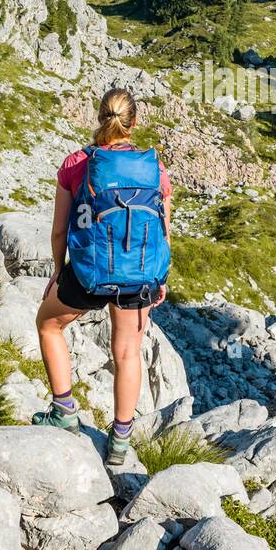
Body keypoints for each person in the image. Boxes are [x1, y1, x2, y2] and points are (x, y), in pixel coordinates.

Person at [32, 87, 171, 465]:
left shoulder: (77, 162)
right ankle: (120, 442)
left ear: (98, 118)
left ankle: (64, 411)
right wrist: (160, 277)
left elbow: (60, 230)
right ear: (134, 122)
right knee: (127, 352)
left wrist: (59, 272)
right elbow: (162, 230)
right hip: (138, 275)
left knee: (48, 325)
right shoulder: (154, 169)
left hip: (88, 272)